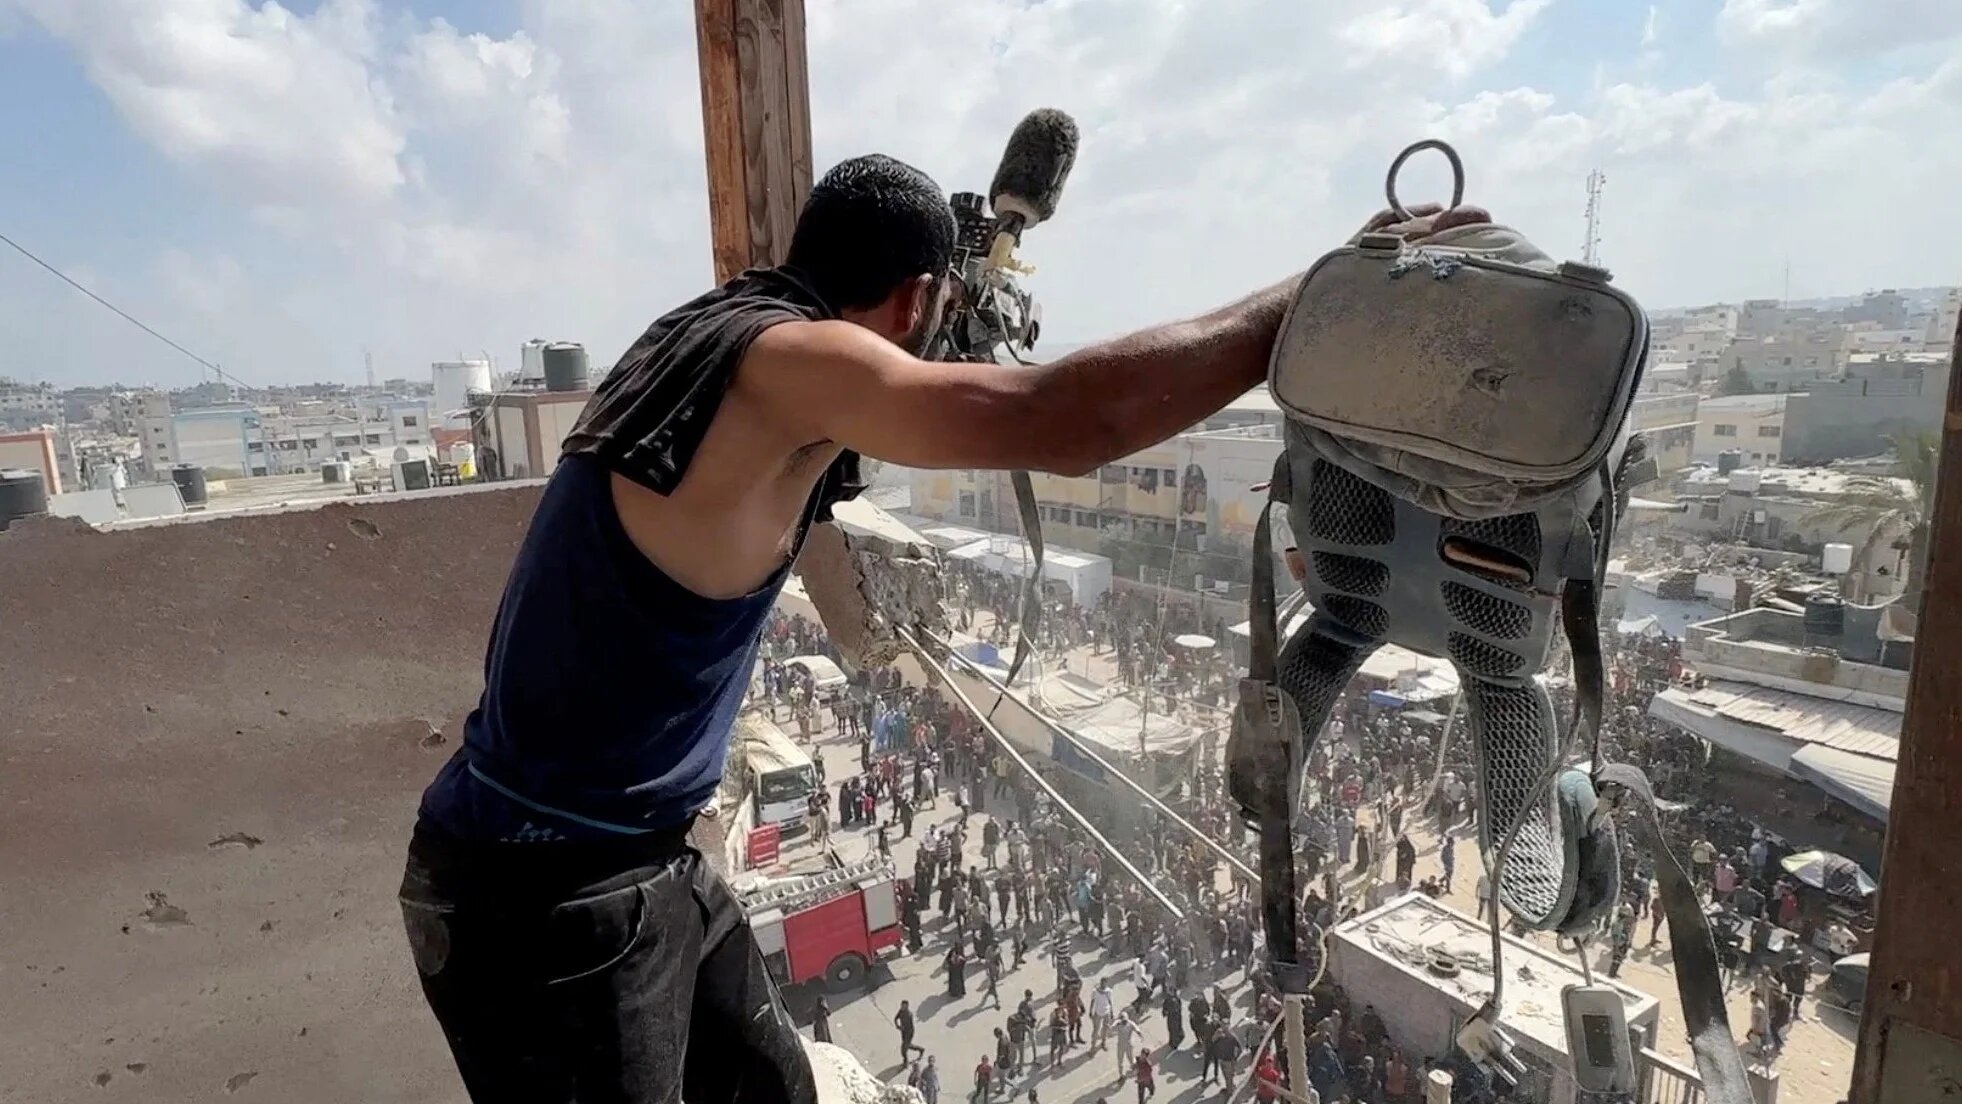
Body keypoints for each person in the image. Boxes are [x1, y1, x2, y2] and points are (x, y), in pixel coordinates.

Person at [398, 149, 1486, 1104]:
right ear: (913, 301)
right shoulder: (795, 363)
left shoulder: (701, 340)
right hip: (547, 905)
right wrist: (1323, 292)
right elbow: (1071, 419)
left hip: (612, 868)